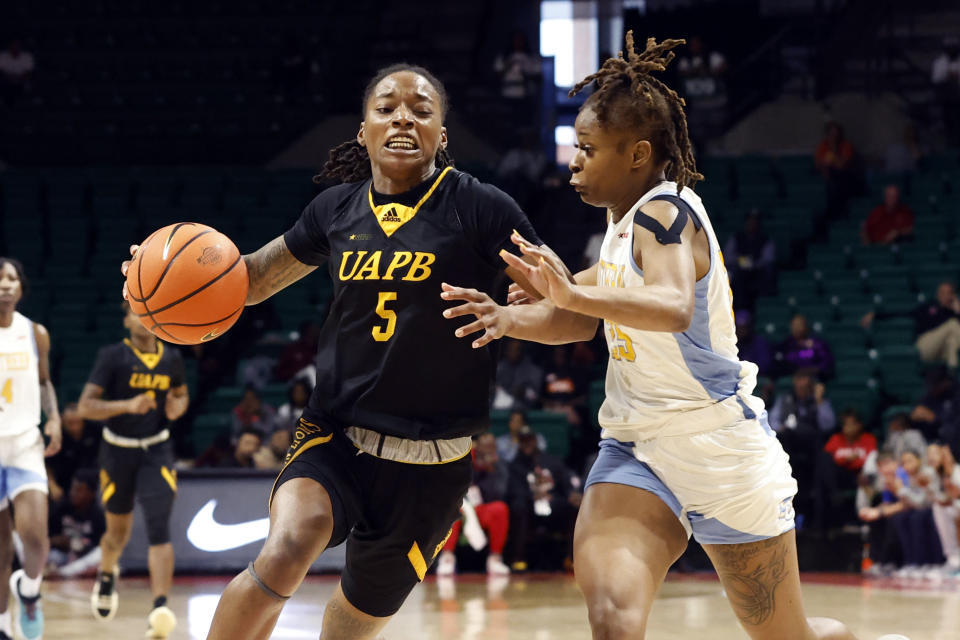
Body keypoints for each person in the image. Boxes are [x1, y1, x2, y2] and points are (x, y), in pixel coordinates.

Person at [442, 34, 856, 639]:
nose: (573, 161)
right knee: (612, 617)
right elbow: (578, 317)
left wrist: (571, 293)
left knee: (786, 637)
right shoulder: (615, 231)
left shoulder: (669, 213)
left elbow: (668, 305)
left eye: (587, 148)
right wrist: (506, 320)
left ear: (637, 154)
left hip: (719, 451)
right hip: (637, 450)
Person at [120, 63, 545, 640]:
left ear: (442, 135)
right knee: (290, 544)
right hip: (336, 435)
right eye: (386, 107)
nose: (402, 117)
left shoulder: (483, 209)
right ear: (363, 130)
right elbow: (251, 278)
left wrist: (514, 314)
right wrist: (159, 283)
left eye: (421, 110)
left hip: (435, 463)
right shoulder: (335, 209)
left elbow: (567, 311)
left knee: (352, 625)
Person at [77, 302, 189, 638]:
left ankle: (159, 607)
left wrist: (176, 407)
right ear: (126, 320)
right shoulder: (112, 357)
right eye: (137, 312)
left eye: (149, 312)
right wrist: (127, 404)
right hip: (117, 451)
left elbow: (181, 395)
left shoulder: (172, 358)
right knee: (117, 533)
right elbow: (85, 407)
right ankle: (108, 574)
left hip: (157, 450)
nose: (144, 319)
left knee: (159, 529)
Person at [0, 257, 61, 640]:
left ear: (21, 287)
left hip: (24, 443)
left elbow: (43, 383)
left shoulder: (35, 332)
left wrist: (53, 417)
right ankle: (3, 625)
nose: (5, 284)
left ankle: (30, 589)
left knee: (36, 537)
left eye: (11, 278)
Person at [436, 433, 512, 576]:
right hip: (461, 506)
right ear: (477, 446)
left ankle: (495, 559)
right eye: (485, 447)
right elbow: (451, 483)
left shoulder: (499, 465)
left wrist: (489, 471)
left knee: (500, 509)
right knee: (452, 508)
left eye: (492, 447)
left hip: (481, 508)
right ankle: (447, 558)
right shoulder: (465, 457)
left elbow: (499, 494)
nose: (488, 451)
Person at [862, 281, 960, 369]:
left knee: (952, 341)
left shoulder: (953, 312)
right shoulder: (929, 307)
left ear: (953, 295)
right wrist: (876, 315)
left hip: (941, 352)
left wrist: (957, 311)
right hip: (924, 346)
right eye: (941, 292)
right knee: (952, 324)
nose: (944, 295)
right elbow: (902, 313)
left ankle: (953, 372)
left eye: (948, 293)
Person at [47, 468, 105, 578]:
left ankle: (61, 574)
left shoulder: (97, 515)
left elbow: (98, 546)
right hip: (60, 556)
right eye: (73, 489)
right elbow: (47, 536)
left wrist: (79, 544)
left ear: (91, 494)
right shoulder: (62, 507)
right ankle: (52, 571)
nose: (73, 493)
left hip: (81, 560)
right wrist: (57, 541)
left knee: (100, 554)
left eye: (79, 490)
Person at [723, 211, 775, 312]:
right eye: (750, 221)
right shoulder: (737, 237)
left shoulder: (765, 239)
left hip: (757, 274)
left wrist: (754, 264)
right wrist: (742, 261)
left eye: (755, 221)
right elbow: (727, 257)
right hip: (738, 274)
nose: (752, 224)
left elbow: (768, 260)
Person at [815, 121, 858, 219]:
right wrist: (830, 162)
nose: (833, 136)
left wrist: (832, 157)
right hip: (828, 177)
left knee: (838, 182)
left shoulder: (846, 145)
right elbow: (818, 164)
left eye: (836, 133)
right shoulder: (823, 145)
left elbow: (842, 165)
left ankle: (838, 212)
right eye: (831, 133)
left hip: (846, 178)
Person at [776, 314, 834, 379]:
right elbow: (781, 361)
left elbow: (826, 361)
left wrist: (815, 369)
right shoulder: (786, 345)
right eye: (794, 325)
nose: (797, 328)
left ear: (806, 327)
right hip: (793, 377)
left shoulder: (817, 344)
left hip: (814, 377)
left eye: (799, 325)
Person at [0, 40, 35, 107]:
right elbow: (1, 71)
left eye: (17, 46)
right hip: (6, 79)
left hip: (22, 79)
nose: (15, 48)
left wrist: (19, 78)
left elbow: (29, 71)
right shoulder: (2, 56)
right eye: (13, 46)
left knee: (29, 83)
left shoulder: (27, 56)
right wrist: (9, 77)